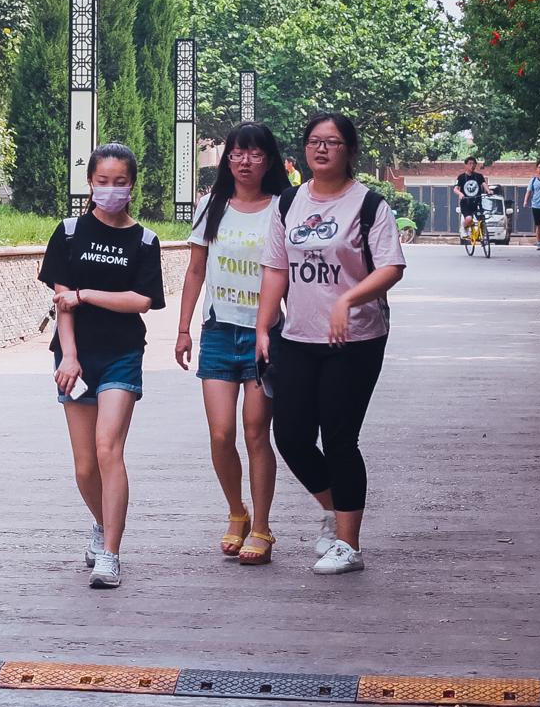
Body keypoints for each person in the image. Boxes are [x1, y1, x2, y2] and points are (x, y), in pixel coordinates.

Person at [256, 113, 407, 576]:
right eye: (315, 141)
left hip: (355, 339)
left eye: (334, 142)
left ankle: (348, 544)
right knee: (292, 438)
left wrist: (349, 298)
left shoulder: (369, 205)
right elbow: (276, 268)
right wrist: (264, 328)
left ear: (350, 151)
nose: (322, 149)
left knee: (340, 439)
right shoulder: (288, 203)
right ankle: (334, 508)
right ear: (304, 149)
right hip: (297, 336)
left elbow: (391, 267)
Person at [40, 142, 168, 590]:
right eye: (102, 181)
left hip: (122, 353)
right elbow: (62, 301)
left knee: (108, 448)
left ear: (132, 185)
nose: (110, 190)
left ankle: (110, 553)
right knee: (84, 465)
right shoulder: (70, 233)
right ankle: (100, 523)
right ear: (90, 183)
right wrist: (69, 356)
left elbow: (143, 301)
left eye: (120, 182)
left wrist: (88, 294)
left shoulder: (145, 241)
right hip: (76, 355)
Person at [174, 123, 288, 565]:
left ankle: (261, 526)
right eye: (238, 153)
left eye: (255, 154)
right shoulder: (212, 205)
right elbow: (195, 270)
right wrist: (184, 328)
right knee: (221, 433)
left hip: (266, 334)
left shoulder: (283, 207)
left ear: (269, 160)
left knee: (258, 432)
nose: (245, 161)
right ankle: (236, 512)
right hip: (219, 330)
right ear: (228, 160)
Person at [454, 156, 489, 240]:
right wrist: (460, 194)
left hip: (477, 203)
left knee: (482, 221)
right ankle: (464, 228)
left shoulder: (479, 176)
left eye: (474, 164)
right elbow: (455, 189)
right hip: (466, 203)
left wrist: (489, 191)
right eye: (470, 164)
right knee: (469, 219)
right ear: (465, 165)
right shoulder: (461, 177)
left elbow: (484, 184)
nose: (472, 166)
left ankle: (482, 236)